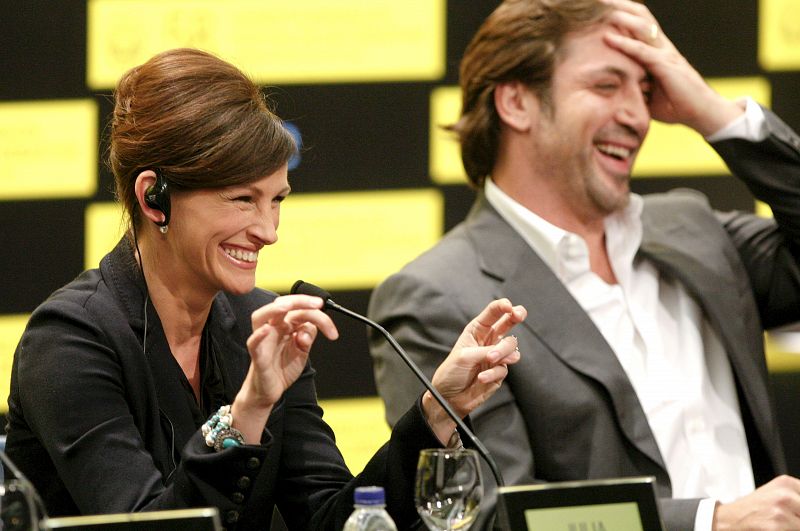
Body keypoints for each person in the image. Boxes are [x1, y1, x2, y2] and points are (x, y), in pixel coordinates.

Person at [3, 48, 527, 530]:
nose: (268, 230)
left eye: (276, 200)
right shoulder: (69, 341)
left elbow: (332, 519)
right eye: (242, 200)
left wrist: (436, 412)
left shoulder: (263, 322)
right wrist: (247, 410)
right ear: (154, 198)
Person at [368, 0, 800, 529]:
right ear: (517, 102)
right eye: (606, 86)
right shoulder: (437, 295)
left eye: (645, 90)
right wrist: (710, 522)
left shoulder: (695, 228)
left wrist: (714, 112)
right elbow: (487, 516)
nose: (638, 116)